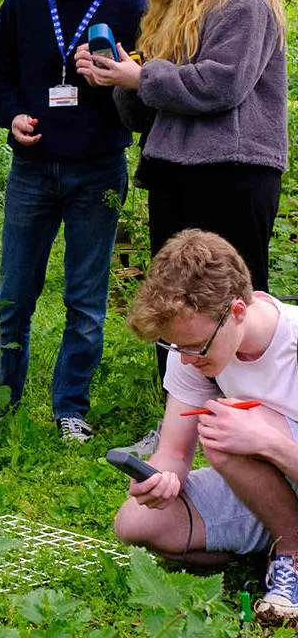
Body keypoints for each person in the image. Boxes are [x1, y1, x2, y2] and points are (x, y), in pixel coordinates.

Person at [0, 0, 147, 441]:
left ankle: (70, 407)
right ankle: (0, 403)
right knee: (14, 295)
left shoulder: (133, 6)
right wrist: (11, 118)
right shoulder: (24, 1)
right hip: (32, 169)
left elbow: (149, 96)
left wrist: (117, 78)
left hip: (98, 169)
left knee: (86, 299)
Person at [75, 0, 286, 297]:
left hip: (232, 174)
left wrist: (142, 77)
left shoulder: (243, 1)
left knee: (228, 304)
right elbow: (143, 115)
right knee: (172, 304)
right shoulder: (170, 13)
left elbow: (222, 85)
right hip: (174, 173)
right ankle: (176, 364)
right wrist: (120, 78)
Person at [114, 229, 298, 619]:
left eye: (195, 347)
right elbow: (175, 451)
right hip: (273, 484)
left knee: (230, 426)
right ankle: (277, 539)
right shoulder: (196, 351)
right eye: (173, 347)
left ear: (237, 312)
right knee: (136, 523)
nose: (184, 360)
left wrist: (269, 442)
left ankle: (292, 554)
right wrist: (159, 478)